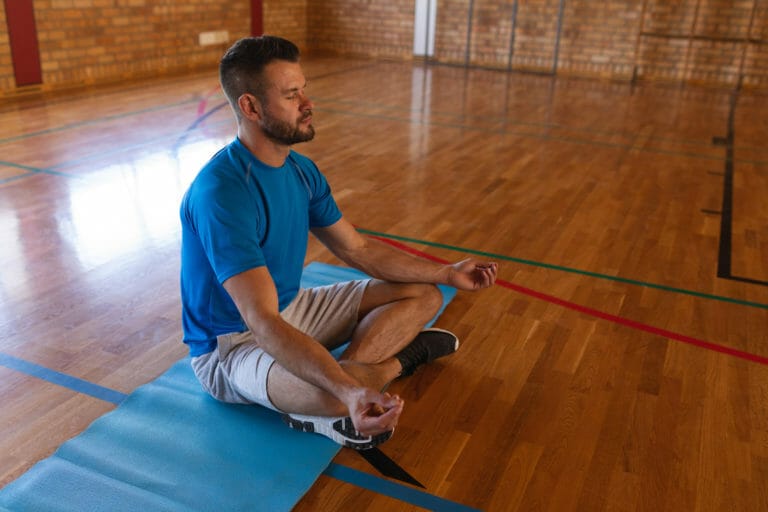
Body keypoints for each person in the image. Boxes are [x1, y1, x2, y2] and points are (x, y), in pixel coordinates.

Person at [179, 35, 498, 450]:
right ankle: (397, 362)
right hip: (234, 345)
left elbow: (357, 250)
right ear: (251, 107)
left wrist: (447, 272)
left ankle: (351, 382)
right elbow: (261, 321)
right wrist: (349, 392)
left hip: (289, 309)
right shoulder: (222, 193)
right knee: (333, 394)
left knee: (424, 294)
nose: (307, 103)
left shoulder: (300, 171)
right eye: (292, 95)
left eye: (304, 90)